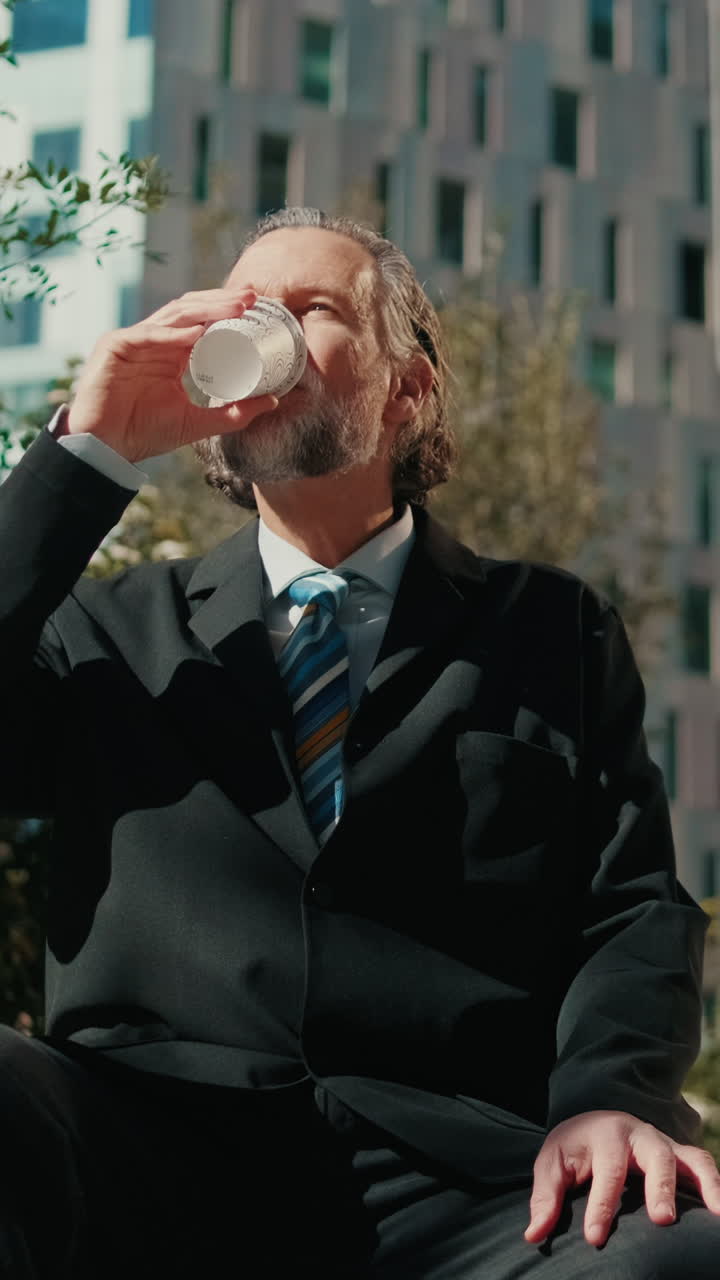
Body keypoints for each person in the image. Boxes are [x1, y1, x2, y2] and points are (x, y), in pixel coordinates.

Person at [1, 205, 720, 1280]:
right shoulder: (108, 624)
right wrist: (84, 453)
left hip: (456, 1182)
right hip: (138, 1145)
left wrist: (611, 1098)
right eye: (246, 311)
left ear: (408, 387)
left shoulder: (549, 630)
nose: (266, 330)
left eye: (312, 309)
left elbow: (632, 906)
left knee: (672, 1250)